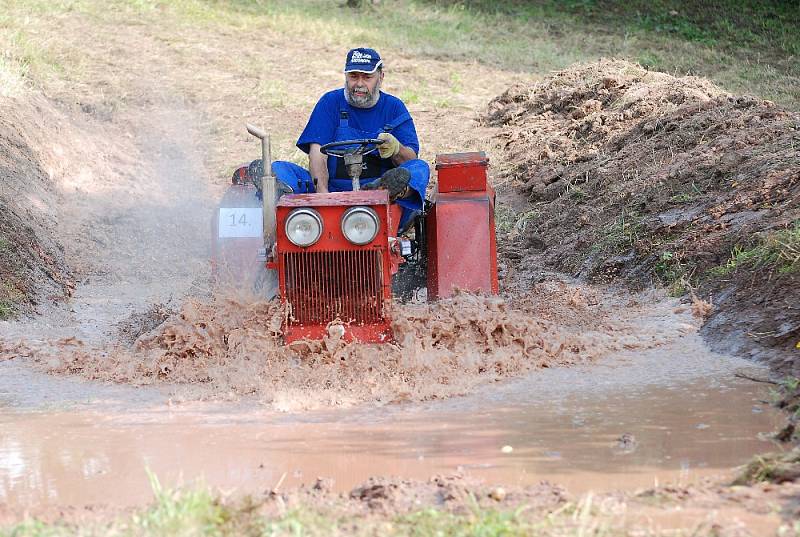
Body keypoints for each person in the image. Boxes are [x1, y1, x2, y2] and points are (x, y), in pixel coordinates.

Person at [271, 47, 429, 230]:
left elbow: (410, 159)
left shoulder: (394, 107)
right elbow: (317, 153)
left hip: (382, 201)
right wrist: (324, 198)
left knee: (420, 168)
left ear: (381, 77)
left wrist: (396, 149)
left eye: (367, 77)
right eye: (354, 76)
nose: (359, 84)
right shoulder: (330, 102)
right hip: (333, 193)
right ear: (346, 76)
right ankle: (281, 202)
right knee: (278, 169)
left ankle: (391, 191)